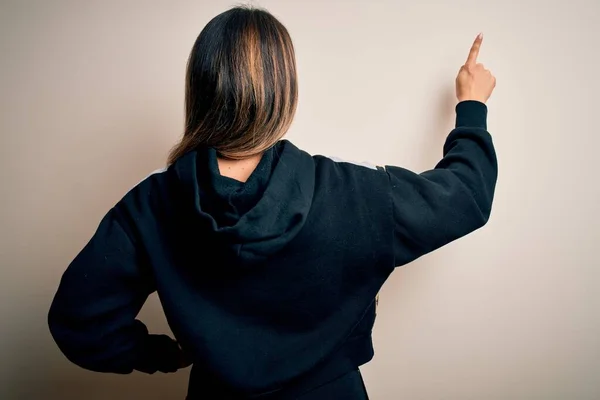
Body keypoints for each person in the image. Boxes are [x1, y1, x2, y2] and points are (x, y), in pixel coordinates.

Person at [47, 5, 497, 400]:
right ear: (285, 90)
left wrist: (166, 355)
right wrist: (471, 105)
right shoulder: (351, 189)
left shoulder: (151, 203)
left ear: (201, 89)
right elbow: (466, 196)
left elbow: (81, 323)